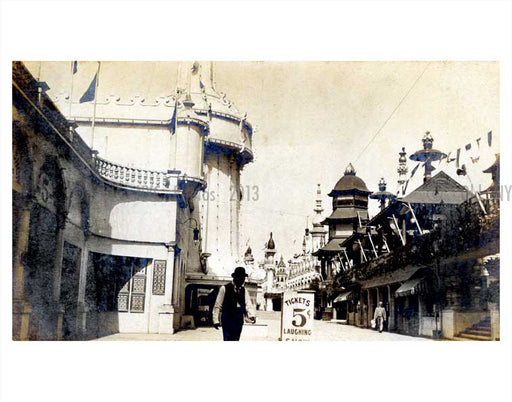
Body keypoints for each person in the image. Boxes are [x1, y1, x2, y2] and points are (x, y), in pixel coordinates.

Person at [212, 267, 256, 341]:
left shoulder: (244, 290)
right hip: (227, 319)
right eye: (241, 277)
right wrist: (215, 320)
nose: (242, 280)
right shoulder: (224, 288)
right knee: (227, 339)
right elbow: (217, 305)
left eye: (243, 278)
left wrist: (251, 315)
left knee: (236, 339)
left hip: (238, 320)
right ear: (235, 277)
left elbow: (248, 304)